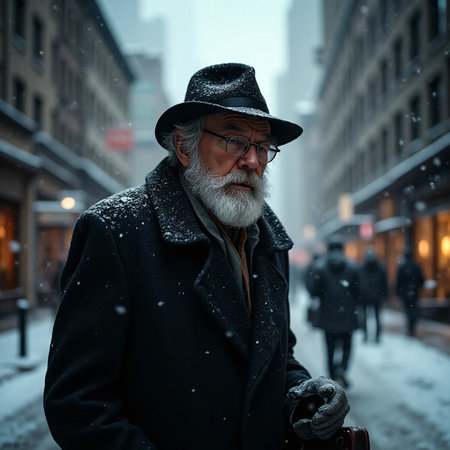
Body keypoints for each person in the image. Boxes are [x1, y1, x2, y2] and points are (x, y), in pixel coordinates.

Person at [43, 63, 350, 450]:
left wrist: (303, 398)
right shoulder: (117, 230)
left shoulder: (269, 241)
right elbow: (76, 403)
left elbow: (271, 360)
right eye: (233, 140)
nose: (252, 161)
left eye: (261, 146)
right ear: (184, 147)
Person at [305, 235, 360, 388]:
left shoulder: (320, 267)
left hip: (328, 316)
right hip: (348, 315)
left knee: (329, 348)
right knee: (347, 345)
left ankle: (331, 378)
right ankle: (342, 367)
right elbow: (360, 291)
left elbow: (313, 291)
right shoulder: (353, 267)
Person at [359, 247, 388, 343]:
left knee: (366, 317)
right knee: (376, 317)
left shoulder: (362, 267)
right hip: (376, 296)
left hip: (366, 296)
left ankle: (366, 335)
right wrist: (384, 294)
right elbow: (384, 283)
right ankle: (377, 336)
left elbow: (359, 282)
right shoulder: (380, 267)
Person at [396, 247, 424, 336]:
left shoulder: (402, 267)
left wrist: (398, 291)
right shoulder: (416, 266)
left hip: (405, 292)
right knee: (413, 309)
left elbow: (399, 281)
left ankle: (410, 327)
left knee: (408, 310)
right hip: (414, 291)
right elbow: (421, 280)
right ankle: (412, 326)